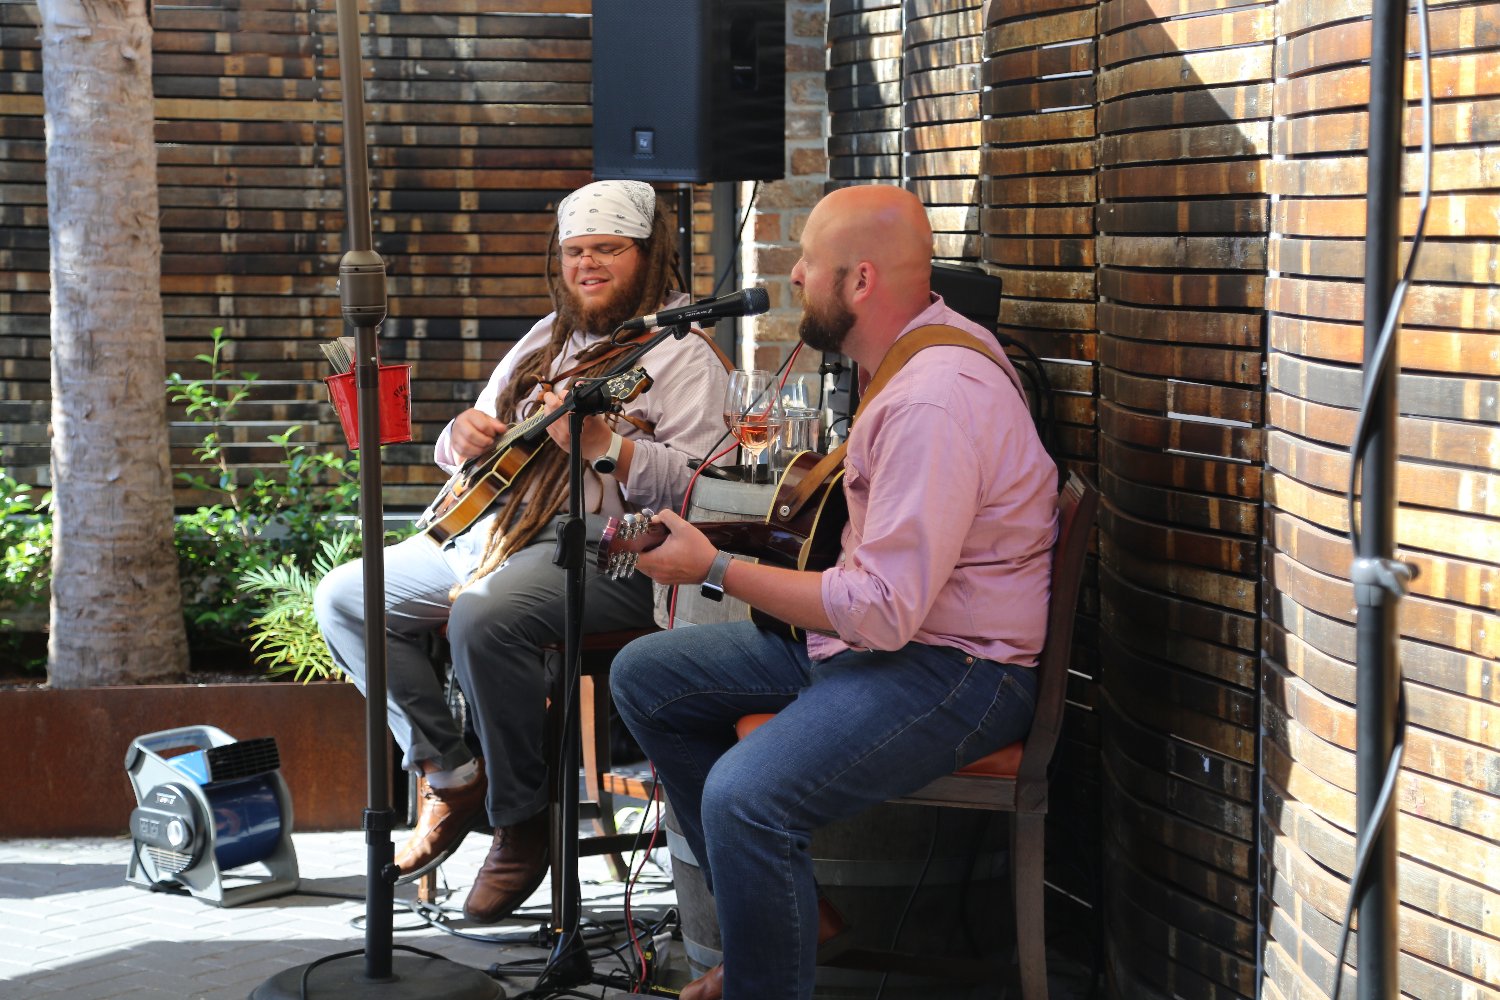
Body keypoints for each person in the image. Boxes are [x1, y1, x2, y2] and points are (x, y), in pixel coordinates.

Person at [609, 184, 1059, 1000]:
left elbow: (882, 611)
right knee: (647, 675)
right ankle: (780, 924)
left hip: (958, 670)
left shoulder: (932, 401)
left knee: (743, 796)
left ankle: (760, 975)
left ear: (860, 281)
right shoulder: (913, 354)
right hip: (897, 644)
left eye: (808, 262)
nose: (793, 276)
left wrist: (713, 568)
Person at [314, 179, 731, 924]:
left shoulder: (684, 355)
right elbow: (468, 450)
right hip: (491, 532)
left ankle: (521, 819)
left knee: (484, 615)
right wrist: (457, 436)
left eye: (607, 249)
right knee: (348, 596)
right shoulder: (546, 338)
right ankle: (451, 775)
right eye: (575, 251)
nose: (587, 265)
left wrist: (609, 448)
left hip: (613, 551)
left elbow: (705, 487)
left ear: (649, 254)